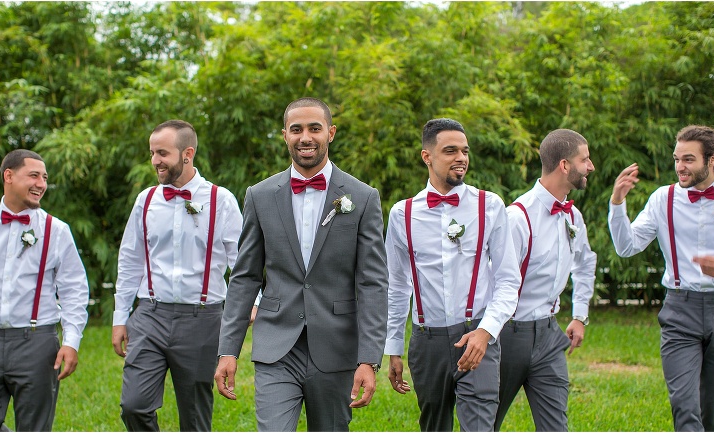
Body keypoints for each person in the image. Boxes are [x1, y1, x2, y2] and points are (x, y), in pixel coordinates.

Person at [214, 97, 388, 431]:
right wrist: (228, 351)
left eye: (314, 128)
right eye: (296, 129)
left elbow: (372, 283)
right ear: (285, 135)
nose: (305, 137)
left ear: (331, 133)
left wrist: (368, 358)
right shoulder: (260, 195)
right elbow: (246, 277)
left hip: (336, 346)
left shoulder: (362, 198)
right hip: (277, 345)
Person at [384, 118, 521, 432]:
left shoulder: (490, 206)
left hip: (477, 336)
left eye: (465, 151)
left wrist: (486, 332)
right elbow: (397, 285)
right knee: (434, 426)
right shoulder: (402, 214)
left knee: (480, 426)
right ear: (427, 157)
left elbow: (508, 279)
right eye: (450, 151)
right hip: (426, 341)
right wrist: (393, 346)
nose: (461, 157)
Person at [112, 120, 242, 431]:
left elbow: (241, 262)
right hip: (150, 315)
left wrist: (252, 303)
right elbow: (130, 259)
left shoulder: (220, 199)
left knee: (194, 416)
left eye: (162, 153)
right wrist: (120, 316)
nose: (155, 160)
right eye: (152, 153)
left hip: (203, 318)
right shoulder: (145, 200)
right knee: (133, 406)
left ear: (187, 153)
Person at [0, 149, 89, 431]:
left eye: (44, 177)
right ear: (8, 176)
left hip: (37, 343)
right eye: (33, 175)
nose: (41, 183)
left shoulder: (57, 230)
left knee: (34, 428)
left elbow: (74, 290)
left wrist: (71, 340)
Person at [608, 124, 714, 432]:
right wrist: (618, 203)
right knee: (685, 407)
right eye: (676, 159)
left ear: (712, 160)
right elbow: (626, 246)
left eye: (688, 159)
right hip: (679, 311)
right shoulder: (663, 199)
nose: (679, 167)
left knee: (711, 412)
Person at [494, 129, 597, 432]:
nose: (590, 166)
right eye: (585, 159)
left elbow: (584, 263)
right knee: (485, 423)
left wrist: (579, 315)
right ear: (564, 166)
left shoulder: (573, 216)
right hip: (508, 336)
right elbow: (497, 283)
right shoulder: (517, 218)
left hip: (550, 336)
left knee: (556, 427)